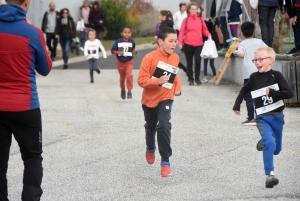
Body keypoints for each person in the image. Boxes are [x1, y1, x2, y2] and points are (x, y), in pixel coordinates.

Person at [0, 0, 52, 200]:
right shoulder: (32, 32)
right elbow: (45, 69)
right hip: (25, 106)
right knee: (32, 158)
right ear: (26, 2)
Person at [233, 47, 293, 188]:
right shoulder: (254, 77)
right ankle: (270, 175)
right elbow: (244, 90)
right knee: (270, 143)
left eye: (261, 59)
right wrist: (237, 105)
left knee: (277, 149)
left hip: (277, 117)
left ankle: (265, 141)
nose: (257, 62)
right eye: (255, 60)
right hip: (262, 117)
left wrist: (273, 93)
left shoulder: (277, 76)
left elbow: (289, 93)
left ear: (271, 60)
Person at [137, 27, 182, 177]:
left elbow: (175, 77)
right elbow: (141, 81)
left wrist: (178, 88)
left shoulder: (175, 57)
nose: (174, 44)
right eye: (171, 41)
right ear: (160, 41)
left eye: (175, 41)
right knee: (151, 128)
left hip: (166, 97)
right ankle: (150, 148)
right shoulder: (149, 58)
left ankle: (165, 161)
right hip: (149, 100)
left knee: (163, 126)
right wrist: (157, 81)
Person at [237, 22, 268, 125]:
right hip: (259, 70)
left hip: (248, 73)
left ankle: (251, 117)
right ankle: (260, 117)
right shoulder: (259, 42)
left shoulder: (242, 44)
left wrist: (239, 53)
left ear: (242, 33)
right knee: (260, 94)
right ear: (253, 31)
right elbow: (267, 49)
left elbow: (241, 54)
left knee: (248, 95)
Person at [178, 2, 211, 86]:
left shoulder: (200, 19)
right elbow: (181, 32)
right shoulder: (185, 20)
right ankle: (191, 79)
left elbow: (204, 30)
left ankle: (197, 78)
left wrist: (208, 35)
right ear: (189, 10)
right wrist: (180, 42)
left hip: (199, 44)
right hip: (188, 44)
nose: (194, 11)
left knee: (197, 61)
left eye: (195, 9)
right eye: (192, 9)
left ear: (197, 10)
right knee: (189, 62)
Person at [111, 26, 137, 99]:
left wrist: (134, 52)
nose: (127, 34)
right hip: (120, 62)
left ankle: (129, 91)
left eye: (129, 32)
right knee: (122, 78)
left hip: (129, 61)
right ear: (121, 33)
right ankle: (123, 90)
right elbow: (112, 51)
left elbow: (133, 50)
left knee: (129, 76)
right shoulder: (118, 42)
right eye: (125, 32)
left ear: (131, 34)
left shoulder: (132, 42)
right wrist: (118, 52)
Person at [202, 16, 217, 83]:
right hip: (211, 48)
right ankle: (214, 76)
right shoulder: (210, 26)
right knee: (211, 64)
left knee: (205, 63)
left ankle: (205, 77)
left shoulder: (203, 30)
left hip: (205, 47)